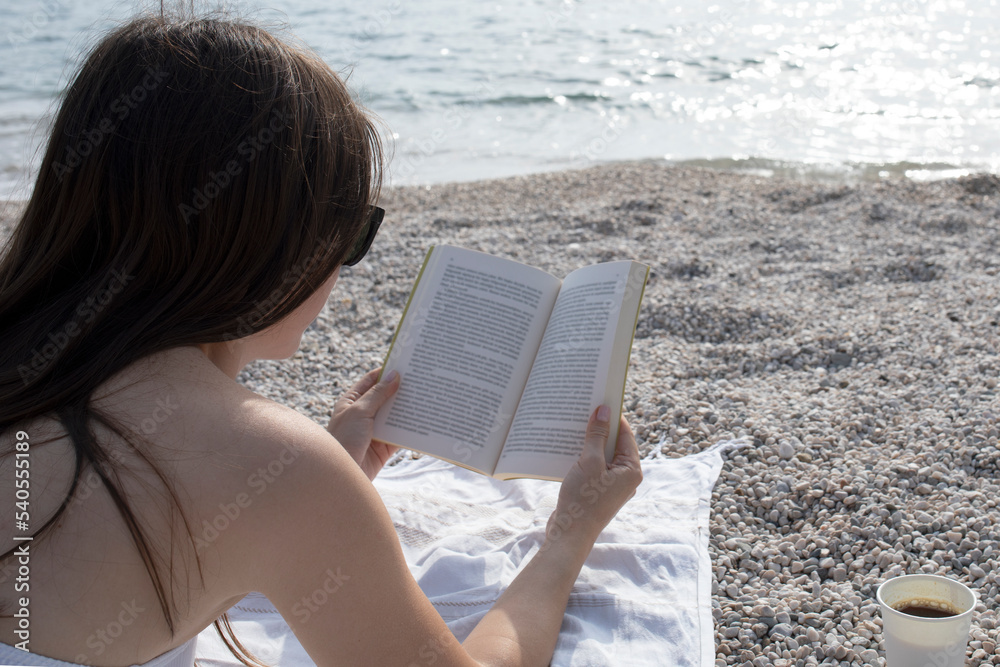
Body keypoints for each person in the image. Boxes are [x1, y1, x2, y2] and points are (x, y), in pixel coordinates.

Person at [0, 10, 642, 667]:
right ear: (273, 240)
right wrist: (570, 534)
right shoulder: (274, 467)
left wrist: (302, 487)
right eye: (353, 231)